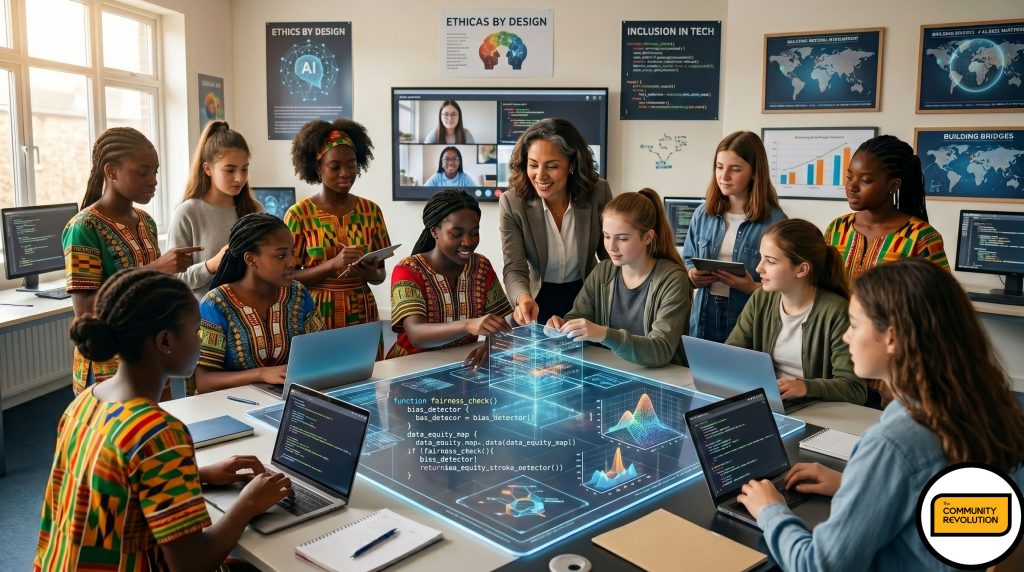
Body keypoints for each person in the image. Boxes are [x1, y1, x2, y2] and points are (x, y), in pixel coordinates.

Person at [736, 258, 1024, 570]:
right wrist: (853, 486)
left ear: (892, 337)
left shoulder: (892, 444)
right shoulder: (988, 407)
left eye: (855, 324)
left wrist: (771, 510)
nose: (846, 337)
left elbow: (818, 566)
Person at [35, 268, 292, 570]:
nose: (201, 341)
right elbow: (191, 565)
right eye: (197, 330)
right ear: (166, 342)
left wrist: (199, 474)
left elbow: (115, 481)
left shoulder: (84, 403)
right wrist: (247, 504)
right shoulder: (158, 432)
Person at [63, 127, 201, 394]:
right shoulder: (84, 227)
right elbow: (85, 310)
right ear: (111, 172)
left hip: (153, 353)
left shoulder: (145, 221)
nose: (153, 181)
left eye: (155, 172)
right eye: (142, 172)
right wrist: (156, 268)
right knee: (121, 432)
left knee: (157, 428)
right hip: (111, 361)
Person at [726, 219, 868, 404]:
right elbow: (731, 354)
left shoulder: (836, 311)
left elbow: (854, 388)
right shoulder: (760, 298)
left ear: (802, 269)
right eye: (761, 257)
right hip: (771, 403)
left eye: (770, 261)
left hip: (816, 410)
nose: (758, 268)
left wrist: (806, 387)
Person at [546, 189, 692, 367]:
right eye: (606, 236)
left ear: (647, 237)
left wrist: (605, 334)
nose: (611, 247)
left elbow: (660, 350)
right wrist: (561, 328)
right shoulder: (602, 272)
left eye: (622, 238)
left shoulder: (672, 279)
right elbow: (577, 319)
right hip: (611, 373)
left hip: (661, 381)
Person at [286, 118, 391, 355]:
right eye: (335, 167)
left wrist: (370, 272)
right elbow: (288, 277)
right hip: (316, 312)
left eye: (352, 165)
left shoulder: (370, 211)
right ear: (318, 167)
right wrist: (332, 264)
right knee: (319, 381)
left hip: (362, 310)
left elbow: (380, 274)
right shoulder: (299, 215)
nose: (346, 173)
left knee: (366, 379)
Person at [499, 117, 613, 326]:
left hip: (587, 295)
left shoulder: (598, 192)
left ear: (572, 164)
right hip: (537, 299)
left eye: (551, 166)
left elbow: (609, 255)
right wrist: (522, 297)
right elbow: (514, 267)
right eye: (533, 165)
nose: (540, 176)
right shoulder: (512, 202)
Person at [196, 213, 325, 392]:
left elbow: (320, 352)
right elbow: (204, 382)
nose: (292, 262)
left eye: (292, 253)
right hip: (229, 406)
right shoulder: (216, 303)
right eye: (281, 256)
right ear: (250, 259)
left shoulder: (298, 294)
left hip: (287, 399)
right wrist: (261, 374)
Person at [683, 131, 787, 343]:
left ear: (755, 173)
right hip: (703, 315)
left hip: (747, 317)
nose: (724, 176)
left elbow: (785, 287)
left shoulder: (775, 221)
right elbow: (687, 258)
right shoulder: (703, 213)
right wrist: (692, 275)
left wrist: (750, 287)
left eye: (735, 169)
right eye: (719, 167)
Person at [388, 189, 512, 365]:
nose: (468, 242)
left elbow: (502, 320)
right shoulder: (407, 270)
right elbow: (417, 334)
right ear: (434, 232)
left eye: (474, 232)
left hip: (463, 365)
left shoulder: (481, 266)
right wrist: (468, 325)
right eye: (456, 234)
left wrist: (492, 344)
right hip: (410, 368)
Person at [825, 134, 948, 280]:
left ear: (893, 185)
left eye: (866, 180)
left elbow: (940, 298)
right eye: (849, 177)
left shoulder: (922, 238)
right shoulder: (837, 228)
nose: (852, 187)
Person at [167, 120, 263, 298]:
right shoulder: (187, 213)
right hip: (204, 319)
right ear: (208, 169)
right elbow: (174, 279)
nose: (239, 178)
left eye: (244, 169)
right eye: (230, 170)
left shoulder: (256, 210)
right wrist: (212, 264)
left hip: (249, 313)